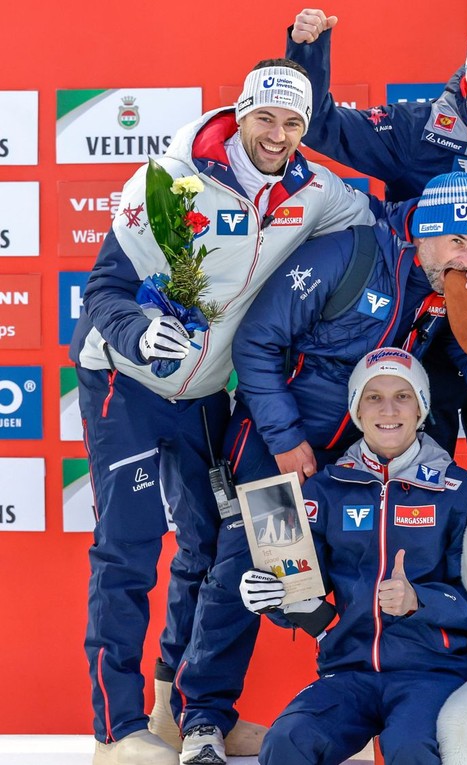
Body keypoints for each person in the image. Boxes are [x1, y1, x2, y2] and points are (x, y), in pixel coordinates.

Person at [71, 59, 373, 765]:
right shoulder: (173, 176)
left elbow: (372, 221)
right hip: (127, 383)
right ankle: (113, 733)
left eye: (293, 122)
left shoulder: (314, 189)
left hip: (206, 393)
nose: (278, 134)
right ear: (240, 112)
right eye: (265, 117)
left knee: (208, 550)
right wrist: (136, 329)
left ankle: (176, 714)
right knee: (129, 550)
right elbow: (103, 287)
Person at [171, 172, 467, 764]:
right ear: (425, 231)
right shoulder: (352, 251)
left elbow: (463, 374)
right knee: (242, 568)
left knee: (297, 581)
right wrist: (288, 438)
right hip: (281, 439)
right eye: (457, 242)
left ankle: (370, 696)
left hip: (351, 454)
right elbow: (257, 343)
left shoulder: (439, 287)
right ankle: (201, 722)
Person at [285, 5, 467, 462]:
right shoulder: (419, 128)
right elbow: (322, 126)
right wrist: (307, 52)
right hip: (421, 333)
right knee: (423, 482)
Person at [235, 347, 467, 765]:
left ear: (422, 406)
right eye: (373, 396)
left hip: (430, 675)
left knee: (411, 751)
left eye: (403, 396)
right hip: (347, 672)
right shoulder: (324, 489)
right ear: (356, 409)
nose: (388, 409)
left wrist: (418, 602)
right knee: (287, 742)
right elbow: (299, 591)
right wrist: (268, 595)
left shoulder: (460, 491)